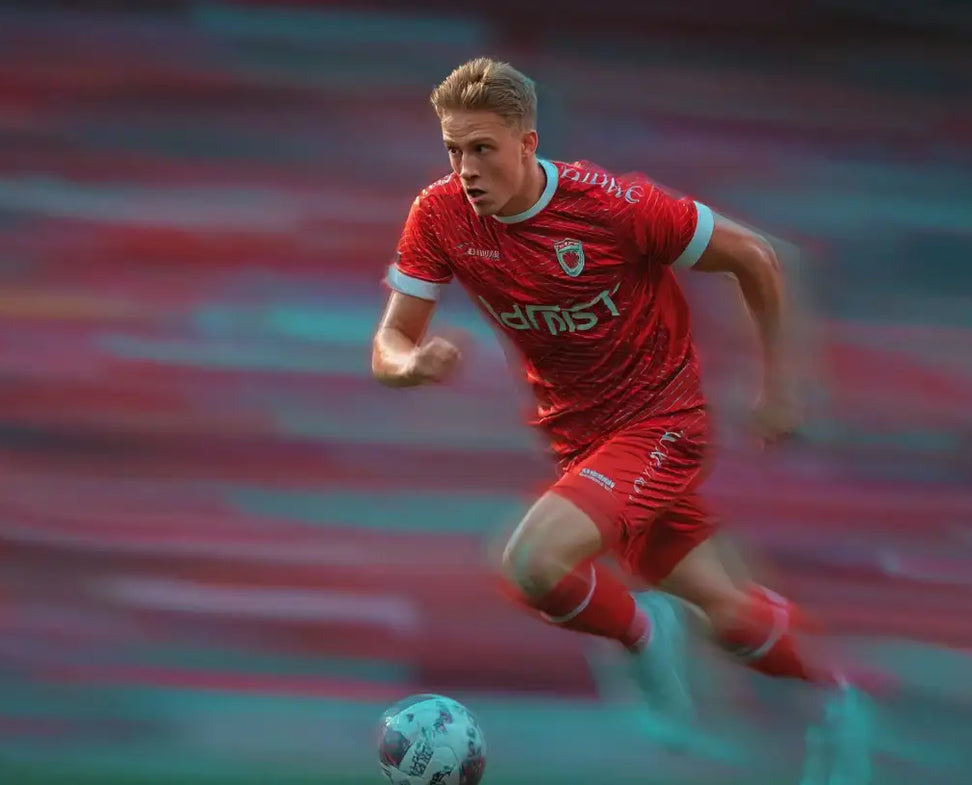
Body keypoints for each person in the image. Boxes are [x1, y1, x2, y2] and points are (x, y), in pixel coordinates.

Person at [370, 57, 871, 784]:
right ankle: (840, 700)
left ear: (527, 142)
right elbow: (390, 340)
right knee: (730, 615)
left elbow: (755, 258)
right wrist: (408, 362)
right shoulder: (440, 215)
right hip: (579, 443)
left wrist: (781, 389)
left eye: (482, 148)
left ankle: (643, 630)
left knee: (533, 564)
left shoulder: (614, 207)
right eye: (453, 149)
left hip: (662, 423)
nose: (467, 168)